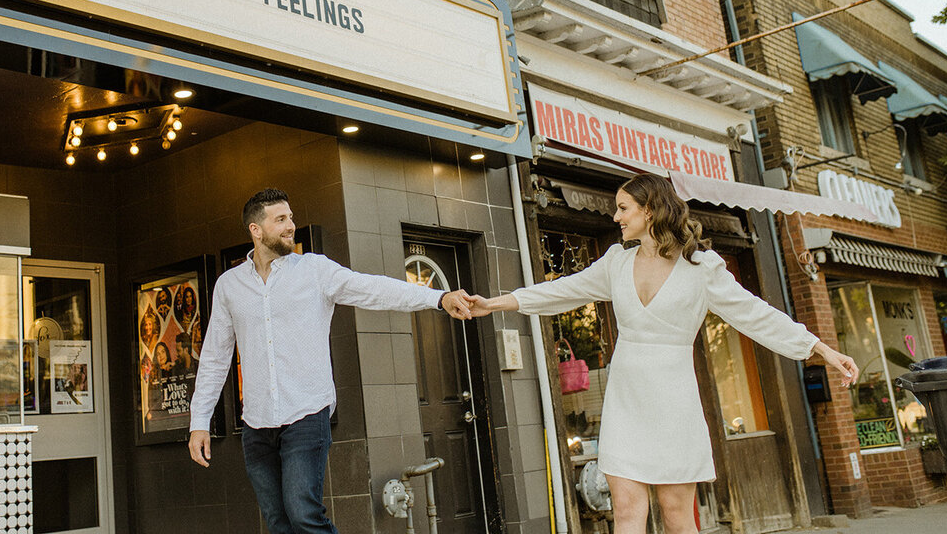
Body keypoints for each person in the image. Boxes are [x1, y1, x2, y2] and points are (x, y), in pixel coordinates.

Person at [469, 173, 859, 534]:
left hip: (674, 401)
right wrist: (497, 303)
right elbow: (561, 291)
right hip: (626, 399)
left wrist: (818, 348)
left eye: (624, 208)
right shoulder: (616, 262)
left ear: (649, 210)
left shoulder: (700, 267)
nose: (616, 216)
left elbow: (754, 313)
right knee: (625, 510)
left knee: (675, 515)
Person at [188, 188, 475, 534]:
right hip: (257, 424)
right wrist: (199, 421)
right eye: (281, 219)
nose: (291, 225)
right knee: (278, 523)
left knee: (303, 514)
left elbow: (374, 289)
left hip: (306, 414)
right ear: (256, 229)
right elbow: (216, 356)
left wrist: (438, 297)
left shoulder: (314, 270)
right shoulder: (229, 286)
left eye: (291, 217)